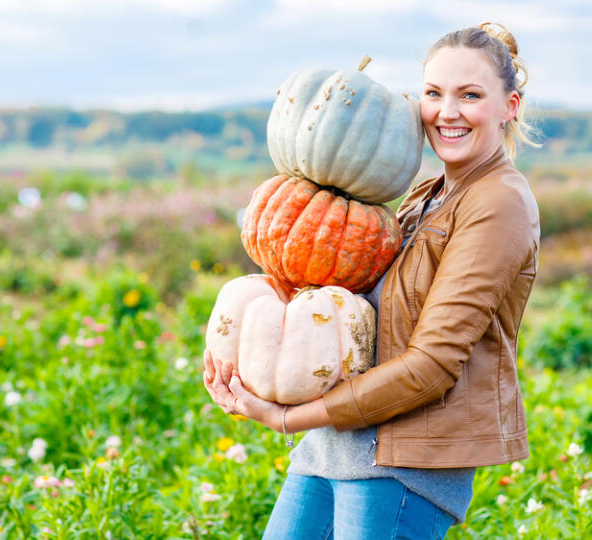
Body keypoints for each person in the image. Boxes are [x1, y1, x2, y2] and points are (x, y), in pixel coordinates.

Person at [203, 22, 541, 539]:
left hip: (402, 467)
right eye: (434, 94)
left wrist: (288, 417)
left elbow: (433, 364)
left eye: (470, 95)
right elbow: (345, 312)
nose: (447, 112)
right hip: (332, 448)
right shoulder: (422, 197)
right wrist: (258, 347)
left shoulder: (498, 204)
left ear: (509, 106)